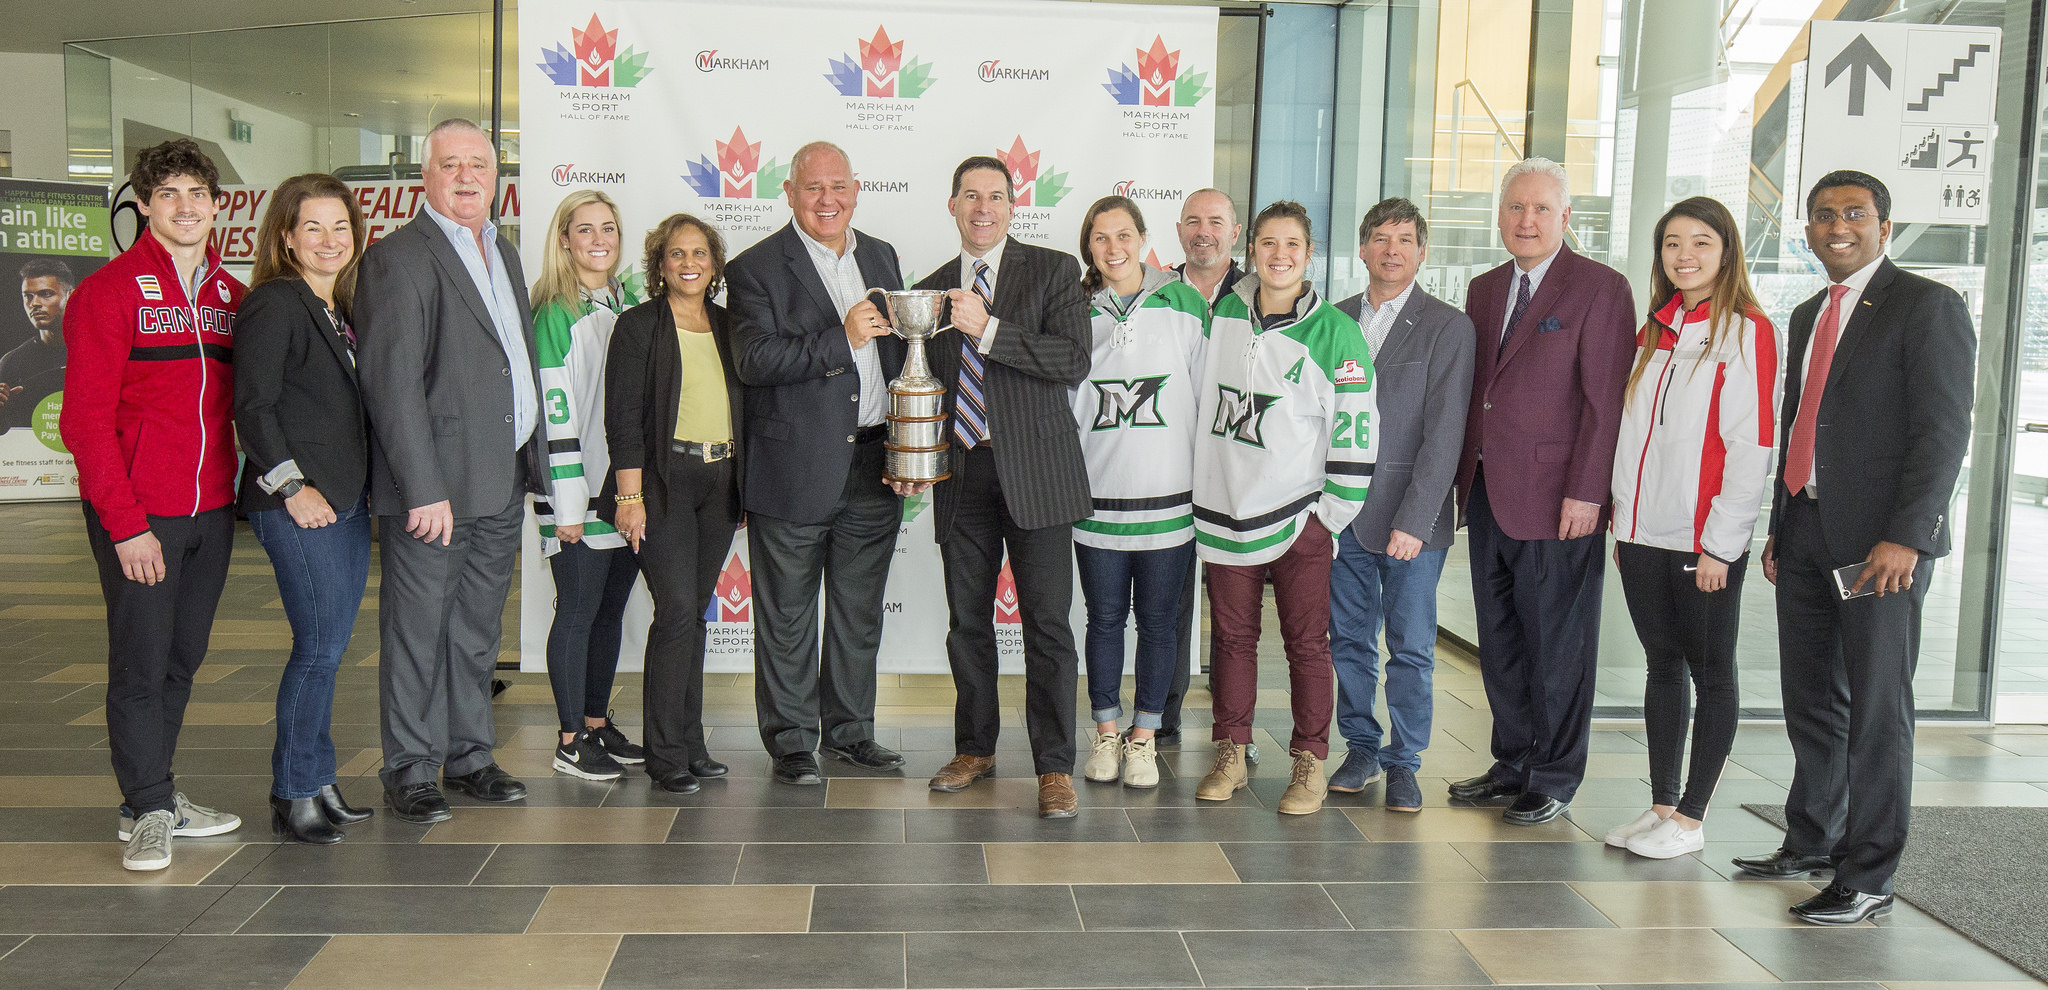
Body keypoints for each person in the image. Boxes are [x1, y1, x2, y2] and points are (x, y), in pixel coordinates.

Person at [1734, 171, 1975, 925]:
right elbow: (1802, 422)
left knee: (1876, 709)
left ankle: (1869, 875)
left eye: (1854, 214)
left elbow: (1944, 431)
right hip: (1808, 529)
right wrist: (1782, 528)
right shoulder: (1810, 312)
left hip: (1880, 547)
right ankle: (1812, 840)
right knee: (1811, 698)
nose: (1838, 226)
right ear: (1807, 230)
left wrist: (1907, 537)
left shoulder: (1927, 305)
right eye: (1823, 215)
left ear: (1884, 226)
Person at [58, 138, 245, 871]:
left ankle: (152, 795)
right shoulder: (107, 294)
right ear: (143, 205)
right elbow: (85, 423)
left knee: (182, 657)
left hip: (211, 513)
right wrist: (127, 525)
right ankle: (148, 808)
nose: (185, 207)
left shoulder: (229, 299)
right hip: (141, 515)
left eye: (198, 193)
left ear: (217, 205)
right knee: (140, 662)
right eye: (169, 194)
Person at [357, 118, 539, 823]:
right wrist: (422, 488)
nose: (467, 177)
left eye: (479, 165)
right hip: (435, 491)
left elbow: (511, 360)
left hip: (500, 478)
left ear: (496, 177)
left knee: (476, 631)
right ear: (425, 176)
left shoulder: (504, 250)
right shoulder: (397, 258)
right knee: (417, 632)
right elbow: (392, 385)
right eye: (450, 164)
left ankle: (469, 756)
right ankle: (409, 767)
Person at [1450, 157, 1634, 826]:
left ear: (1566, 218)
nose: (1526, 220)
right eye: (1515, 207)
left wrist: (1589, 492)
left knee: (1558, 644)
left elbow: (1605, 402)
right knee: (1500, 640)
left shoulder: (1600, 288)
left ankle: (1553, 773)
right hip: (1488, 492)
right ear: (1500, 215)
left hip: (1561, 501)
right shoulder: (1484, 288)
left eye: (1541, 209)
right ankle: (1511, 762)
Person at [912, 156, 1092, 819]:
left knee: (1048, 626)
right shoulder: (928, 292)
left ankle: (1054, 766)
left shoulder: (1053, 271)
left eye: (995, 196)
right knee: (967, 623)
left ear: (1013, 208)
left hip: (1038, 475)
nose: (982, 207)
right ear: (952, 206)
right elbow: (925, 388)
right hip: (961, 474)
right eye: (970, 196)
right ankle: (975, 749)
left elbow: (1072, 360)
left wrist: (987, 329)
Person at [727, 141, 908, 786]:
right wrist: (842, 339)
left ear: (855, 190)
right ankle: (792, 741)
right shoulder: (754, 268)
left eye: (838, 187)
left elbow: (899, 356)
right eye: (813, 188)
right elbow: (754, 361)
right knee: (787, 617)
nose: (827, 200)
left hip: (875, 464)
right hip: (793, 469)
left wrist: (912, 443)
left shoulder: (881, 256)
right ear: (789, 192)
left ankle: (851, 732)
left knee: (858, 613)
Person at [1605, 197, 1779, 859]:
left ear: (1727, 251)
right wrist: (1624, 524)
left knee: (1712, 673)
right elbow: (1631, 437)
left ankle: (1693, 816)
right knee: (1662, 666)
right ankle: (1662, 805)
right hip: (1641, 535)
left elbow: (1751, 447)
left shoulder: (1747, 331)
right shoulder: (1655, 329)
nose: (1685, 255)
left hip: (1701, 541)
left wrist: (1722, 546)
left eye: (1701, 242)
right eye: (1673, 242)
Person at [1193, 200, 1377, 817]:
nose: (1279, 255)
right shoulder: (1223, 313)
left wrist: (1330, 515)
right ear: (1251, 250)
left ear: (1309, 254)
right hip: (1226, 510)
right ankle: (1231, 751)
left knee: (1306, 644)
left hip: (1300, 516)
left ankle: (1309, 761)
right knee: (1231, 639)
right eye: (1268, 243)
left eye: (1292, 244)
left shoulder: (1336, 332)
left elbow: (1356, 427)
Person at [234, 173, 379, 844]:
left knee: (331, 648)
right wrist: (293, 488)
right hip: (299, 504)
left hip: (343, 502)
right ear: (286, 238)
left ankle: (318, 781)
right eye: (312, 227)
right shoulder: (275, 302)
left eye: (340, 226)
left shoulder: (337, 306)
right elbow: (253, 406)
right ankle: (293, 792)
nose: (329, 239)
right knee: (317, 648)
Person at [1328, 197, 1474, 812]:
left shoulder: (1447, 326)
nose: (1393, 250)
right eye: (1381, 238)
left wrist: (1415, 520)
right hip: (1340, 514)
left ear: (1422, 252)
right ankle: (1361, 747)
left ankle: (1405, 762)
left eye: (1406, 239)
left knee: (1411, 648)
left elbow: (1446, 434)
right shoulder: (1332, 319)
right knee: (1348, 641)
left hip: (1413, 520)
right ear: (1362, 248)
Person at [1068, 196, 1208, 789]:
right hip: (1096, 499)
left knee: (1157, 624)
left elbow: (1207, 398)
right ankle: (1105, 732)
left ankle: (1144, 738)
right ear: (1089, 247)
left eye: (1124, 234)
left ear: (1144, 238)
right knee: (1102, 620)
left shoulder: (1185, 303)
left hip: (1169, 501)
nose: (1114, 247)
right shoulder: (1073, 308)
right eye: (1101, 238)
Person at [605, 213, 744, 794]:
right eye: (677, 254)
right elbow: (623, 418)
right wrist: (629, 496)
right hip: (663, 482)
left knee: (695, 615)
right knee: (678, 612)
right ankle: (665, 756)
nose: (690, 263)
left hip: (721, 480)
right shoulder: (639, 326)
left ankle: (691, 744)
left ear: (714, 264)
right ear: (660, 265)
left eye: (700, 253)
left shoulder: (730, 324)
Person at [530, 189, 647, 782]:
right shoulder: (555, 313)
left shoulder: (627, 301)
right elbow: (556, 415)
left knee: (608, 611)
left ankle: (597, 724)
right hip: (576, 492)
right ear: (564, 240)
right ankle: (570, 739)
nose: (599, 240)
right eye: (585, 229)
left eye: (608, 228)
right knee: (577, 611)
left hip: (622, 491)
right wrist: (568, 504)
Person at [1159, 186, 1248, 747]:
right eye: (1193, 221)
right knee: (1169, 603)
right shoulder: (1157, 294)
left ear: (1234, 232)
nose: (1203, 232)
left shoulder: (1263, 294)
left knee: (1235, 612)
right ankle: (1162, 715)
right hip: (1170, 470)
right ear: (1178, 231)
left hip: (1239, 473)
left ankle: (1233, 730)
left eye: (1215, 222)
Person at [1, 258, 74, 431]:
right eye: (28, 296)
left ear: (70, 295)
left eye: (46, 294)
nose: (34, 304)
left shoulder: (101, 354)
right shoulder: (11, 362)